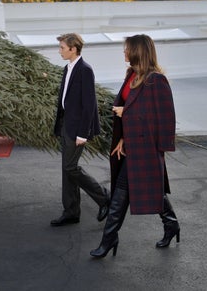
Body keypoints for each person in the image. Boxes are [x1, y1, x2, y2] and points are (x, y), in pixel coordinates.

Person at [90, 34, 180, 258]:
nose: (124, 52)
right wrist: (123, 138)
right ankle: (171, 225)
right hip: (131, 146)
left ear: (138, 51)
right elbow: (130, 105)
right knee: (146, 189)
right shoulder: (131, 75)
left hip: (146, 149)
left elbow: (163, 116)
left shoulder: (156, 80)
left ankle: (109, 240)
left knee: (123, 193)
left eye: (127, 48)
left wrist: (125, 112)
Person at [51, 33, 110, 227]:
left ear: (73, 48)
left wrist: (83, 133)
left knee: (70, 167)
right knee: (66, 169)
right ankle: (71, 212)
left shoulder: (85, 70)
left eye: (62, 48)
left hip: (77, 128)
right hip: (67, 124)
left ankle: (103, 198)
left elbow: (89, 104)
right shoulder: (68, 68)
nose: (59, 51)